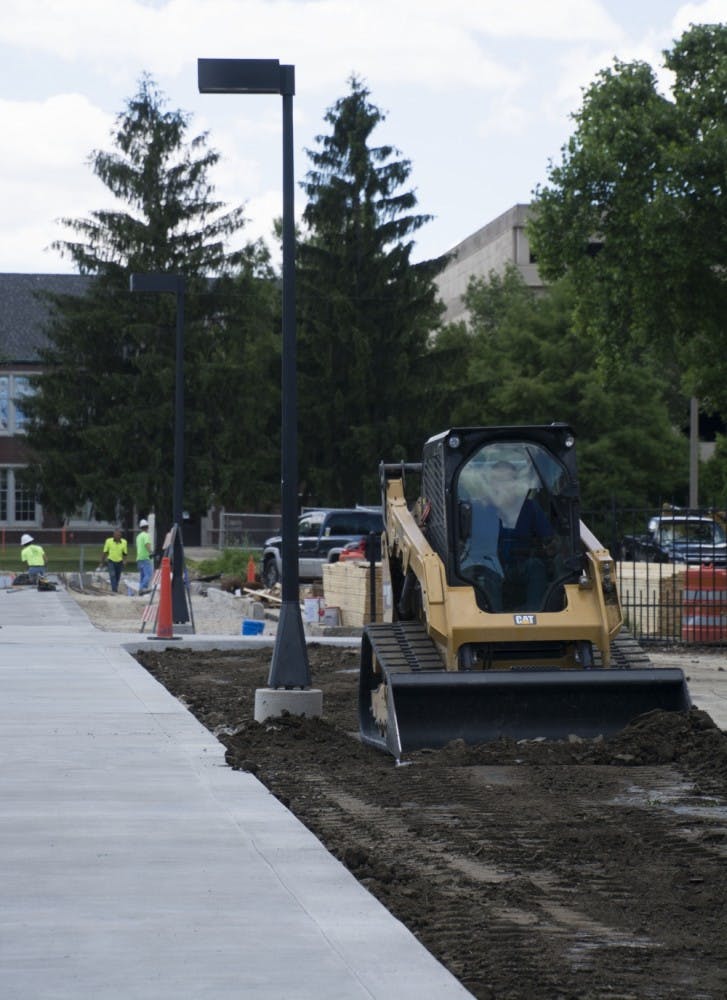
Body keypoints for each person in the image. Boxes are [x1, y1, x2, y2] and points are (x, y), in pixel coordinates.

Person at [462, 460, 555, 611]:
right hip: (490, 564)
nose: (502, 486)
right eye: (497, 481)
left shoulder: (530, 507)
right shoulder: (478, 508)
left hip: (520, 564)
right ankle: (494, 618)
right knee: (487, 573)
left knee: (536, 567)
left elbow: (549, 540)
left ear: (515, 483)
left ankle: (535, 613)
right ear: (491, 485)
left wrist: (548, 548)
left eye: (507, 481)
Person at [101, 527, 127, 593]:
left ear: (120, 535)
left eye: (119, 535)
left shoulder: (124, 542)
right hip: (111, 561)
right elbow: (105, 552)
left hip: (120, 561)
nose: (118, 536)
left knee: (117, 576)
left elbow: (124, 553)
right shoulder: (108, 541)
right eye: (116, 535)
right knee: (112, 575)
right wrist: (102, 562)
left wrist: (125, 561)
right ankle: (114, 590)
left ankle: (115, 588)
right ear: (114, 535)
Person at [135, 518, 153, 594]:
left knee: (142, 576)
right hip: (145, 558)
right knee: (148, 574)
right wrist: (151, 552)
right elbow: (147, 544)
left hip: (139, 558)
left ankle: (143, 590)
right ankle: (141, 588)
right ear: (147, 527)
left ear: (140, 527)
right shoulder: (146, 535)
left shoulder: (138, 536)